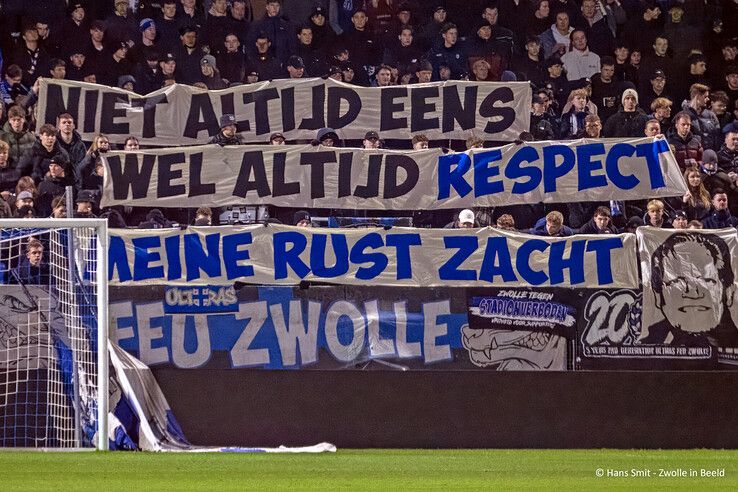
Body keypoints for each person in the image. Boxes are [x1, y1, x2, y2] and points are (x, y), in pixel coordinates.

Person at [643, 232, 736, 346]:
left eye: (707, 279)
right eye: (676, 280)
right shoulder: (647, 344)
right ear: (657, 295)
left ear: (729, 292)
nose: (692, 292)